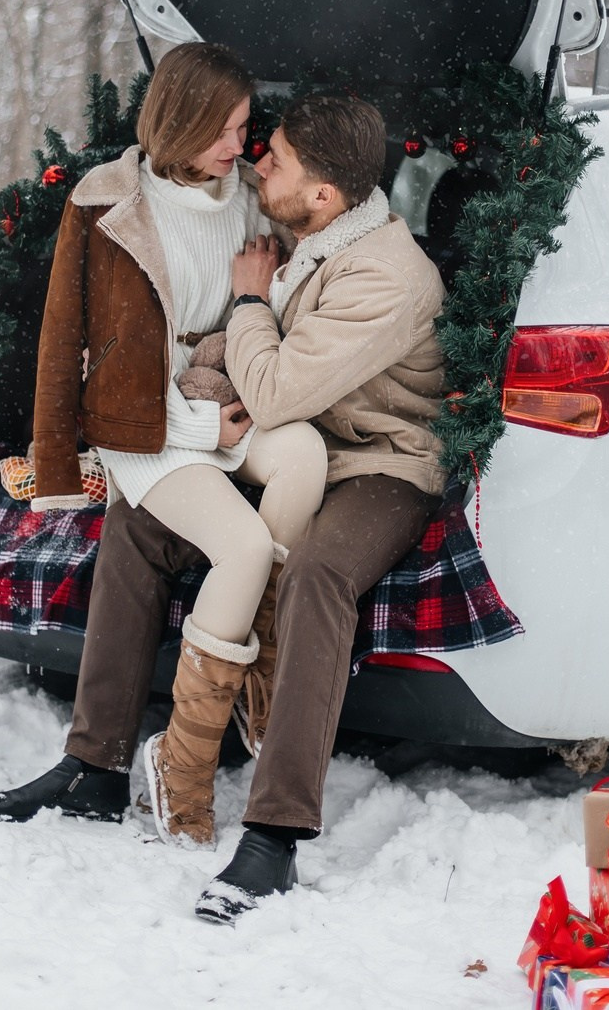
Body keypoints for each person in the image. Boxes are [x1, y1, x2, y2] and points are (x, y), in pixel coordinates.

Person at [0, 42, 328, 846]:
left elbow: (295, 283)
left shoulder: (247, 199)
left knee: (304, 455)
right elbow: (65, 341)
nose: (240, 144)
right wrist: (72, 460)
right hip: (151, 433)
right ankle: (180, 761)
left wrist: (258, 328)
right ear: (181, 121)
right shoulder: (107, 204)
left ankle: (255, 663)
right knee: (241, 546)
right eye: (224, 129)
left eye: (244, 126)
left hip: (228, 395)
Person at [186, 93, 447, 922]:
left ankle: (274, 835)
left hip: (377, 464)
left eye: (276, 158)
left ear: (325, 195)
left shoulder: (387, 275)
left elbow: (272, 390)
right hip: (292, 449)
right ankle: (92, 761)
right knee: (147, 520)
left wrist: (250, 301)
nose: (256, 162)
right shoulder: (309, 226)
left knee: (318, 576)